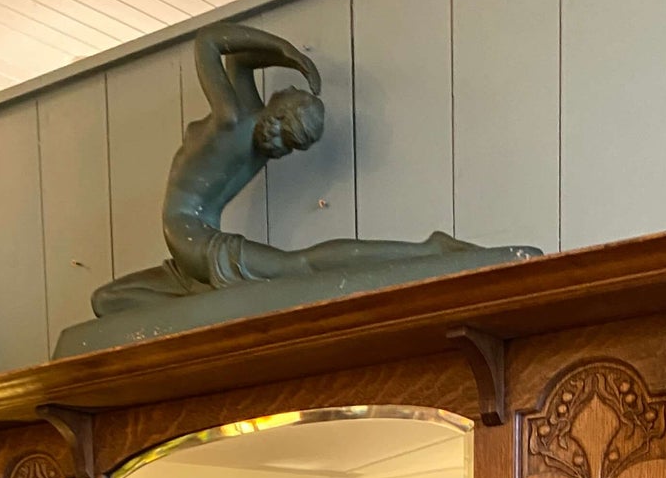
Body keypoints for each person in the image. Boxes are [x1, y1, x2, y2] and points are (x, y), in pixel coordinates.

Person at [93, 23, 501, 315]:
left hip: (197, 245)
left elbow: (210, 41)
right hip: (188, 256)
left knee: (300, 268)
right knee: (106, 301)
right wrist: (278, 57)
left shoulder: (232, 120)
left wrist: (284, 51)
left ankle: (430, 250)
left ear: (282, 105)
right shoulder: (248, 128)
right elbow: (239, 65)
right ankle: (208, 307)